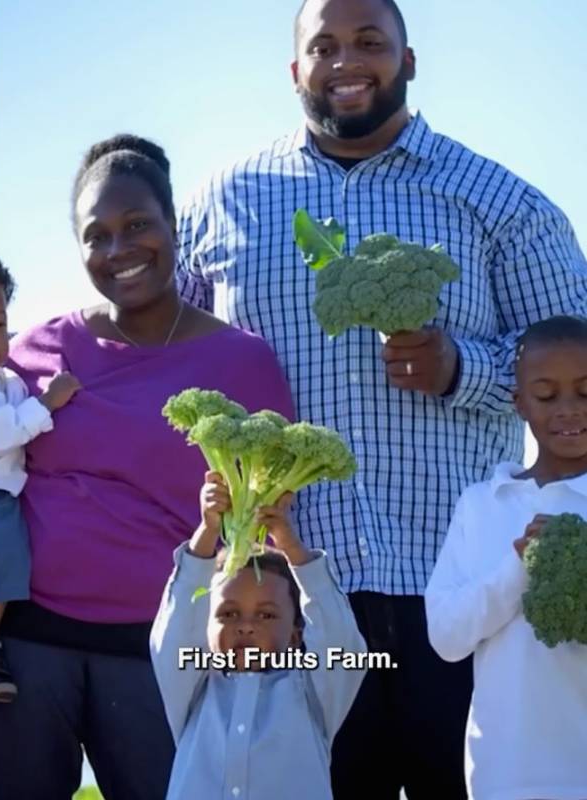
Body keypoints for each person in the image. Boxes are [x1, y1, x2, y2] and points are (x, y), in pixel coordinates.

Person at [173, 0, 587, 793]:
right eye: (322, 45)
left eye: (370, 41)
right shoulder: (221, 202)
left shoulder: (503, 203)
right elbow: (175, 364)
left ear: (409, 59)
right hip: (294, 587)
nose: (346, 60)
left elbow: (577, 361)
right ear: (295, 70)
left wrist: (461, 369)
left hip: (462, 587)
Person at [0, 133, 294, 800]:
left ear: (172, 226)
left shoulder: (242, 362)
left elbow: (270, 518)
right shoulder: (38, 349)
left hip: (159, 655)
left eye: (137, 225)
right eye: (95, 235)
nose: (118, 250)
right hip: (30, 649)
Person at [425, 316, 587, 800]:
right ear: (518, 403)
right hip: (503, 773)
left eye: (585, 391)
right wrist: (518, 569)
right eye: (546, 394)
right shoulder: (482, 503)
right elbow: (447, 637)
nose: (569, 409)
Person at [151, 473, 366, 800]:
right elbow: (177, 624)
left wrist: (291, 546)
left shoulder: (313, 694)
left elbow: (341, 639)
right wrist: (208, 531)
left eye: (266, 615)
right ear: (205, 628)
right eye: (228, 613)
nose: (246, 626)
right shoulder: (193, 690)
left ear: (296, 635)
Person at [0, 253, 78, 703]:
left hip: (5, 497)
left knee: (10, 567)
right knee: (2, 564)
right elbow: (1, 433)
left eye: (1, 325)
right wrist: (49, 403)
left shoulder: (8, 381)